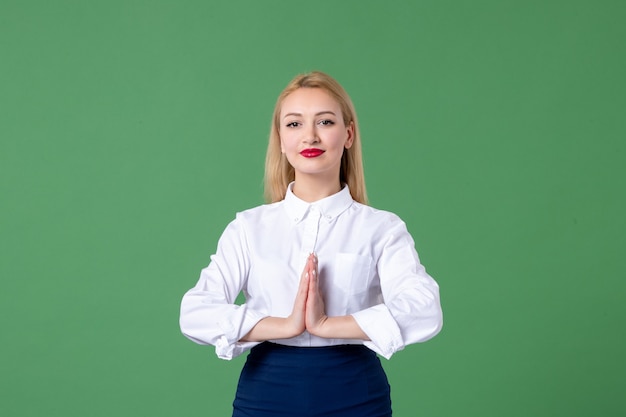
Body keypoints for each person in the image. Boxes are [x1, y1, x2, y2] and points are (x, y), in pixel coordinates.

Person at [180, 71, 443, 417]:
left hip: (355, 394)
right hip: (266, 393)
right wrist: (284, 325)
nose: (310, 136)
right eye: (294, 124)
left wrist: (327, 326)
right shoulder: (248, 227)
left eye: (325, 121)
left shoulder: (382, 228)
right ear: (280, 138)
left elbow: (425, 309)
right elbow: (195, 312)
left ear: (348, 134)